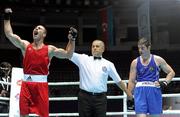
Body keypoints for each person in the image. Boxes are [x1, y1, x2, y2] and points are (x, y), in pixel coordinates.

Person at [3, 8, 77, 117]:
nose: (36, 28)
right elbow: (9, 34)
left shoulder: (49, 49)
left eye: (39, 28)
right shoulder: (25, 46)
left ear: (44, 34)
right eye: (35, 28)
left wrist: (72, 39)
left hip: (41, 86)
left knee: (43, 115)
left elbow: (68, 54)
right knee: (23, 114)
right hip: (26, 85)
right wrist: (6, 17)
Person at [70, 39, 133, 117]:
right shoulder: (83, 59)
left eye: (97, 46)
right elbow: (69, 53)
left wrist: (128, 93)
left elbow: (118, 81)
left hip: (100, 99)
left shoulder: (108, 64)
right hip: (84, 97)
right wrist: (71, 40)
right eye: (93, 46)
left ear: (103, 49)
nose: (95, 48)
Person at [128, 37, 175, 117]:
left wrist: (164, 82)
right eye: (139, 48)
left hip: (154, 90)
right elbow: (131, 81)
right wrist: (129, 96)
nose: (140, 51)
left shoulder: (158, 59)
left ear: (149, 47)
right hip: (140, 91)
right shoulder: (135, 62)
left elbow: (171, 72)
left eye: (142, 48)